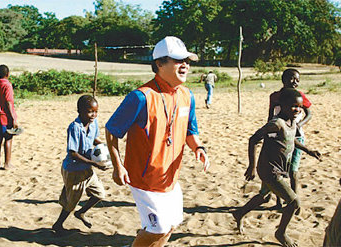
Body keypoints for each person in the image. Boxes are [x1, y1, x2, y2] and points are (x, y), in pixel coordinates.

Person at [105, 36, 210, 246]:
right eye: (179, 60)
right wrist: (118, 167)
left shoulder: (187, 96)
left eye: (188, 61)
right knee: (158, 227)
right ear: (159, 63)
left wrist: (198, 147)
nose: (186, 65)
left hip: (170, 178)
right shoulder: (140, 97)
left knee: (171, 225)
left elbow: (190, 130)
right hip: (144, 179)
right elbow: (112, 131)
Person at [232, 88, 321, 247]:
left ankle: (239, 213)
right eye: (294, 106)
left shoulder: (292, 122)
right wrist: (252, 166)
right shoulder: (276, 123)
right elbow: (253, 139)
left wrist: (309, 150)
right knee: (293, 202)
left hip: (278, 168)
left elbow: (291, 139)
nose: (297, 110)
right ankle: (281, 233)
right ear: (282, 105)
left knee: (264, 197)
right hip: (269, 170)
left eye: (299, 107)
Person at [52, 95, 109, 235]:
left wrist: (103, 147)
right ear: (80, 111)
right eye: (90, 111)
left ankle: (81, 213)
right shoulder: (74, 127)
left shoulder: (94, 123)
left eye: (96, 112)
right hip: (74, 170)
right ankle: (58, 225)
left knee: (100, 194)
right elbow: (73, 153)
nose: (93, 115)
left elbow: (94, 138)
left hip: (87, 169)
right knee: (71, 203)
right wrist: (94, 163)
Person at [268, 68, 312, 209]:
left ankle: (294, 203)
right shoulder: (275, 97)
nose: (295, 82)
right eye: (292, 78)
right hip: (280, 137)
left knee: (293, 171)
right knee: (278, 171)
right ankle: (279, 202)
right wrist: (270, 132)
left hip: (297, 136)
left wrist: (299, 124)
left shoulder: (300, 96)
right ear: (283, 79)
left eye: (298, 80)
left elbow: (309, 113)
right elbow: (270, 116)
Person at [0, 64, 18, 170]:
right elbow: (9, 102)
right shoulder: (7, 85)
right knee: (8, 138)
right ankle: (7, 163)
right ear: (8, 74)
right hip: (6, 115)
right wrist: (13, 118)